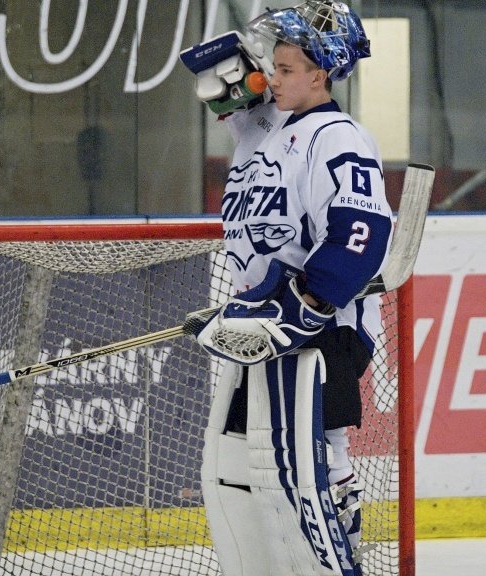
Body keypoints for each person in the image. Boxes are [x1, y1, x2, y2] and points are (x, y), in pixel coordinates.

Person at [183, 3, 384, 575]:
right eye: (273, 66)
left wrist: (308, 303)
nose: (274, 77)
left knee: (311, 466)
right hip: (265, 327)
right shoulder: (263, 128)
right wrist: (239, 76)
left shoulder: (338, 137)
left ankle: (337, 561)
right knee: (254, 471)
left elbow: (360, 232)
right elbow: (210, 75)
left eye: (287, 68)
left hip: (322, 332)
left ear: (320, 75)